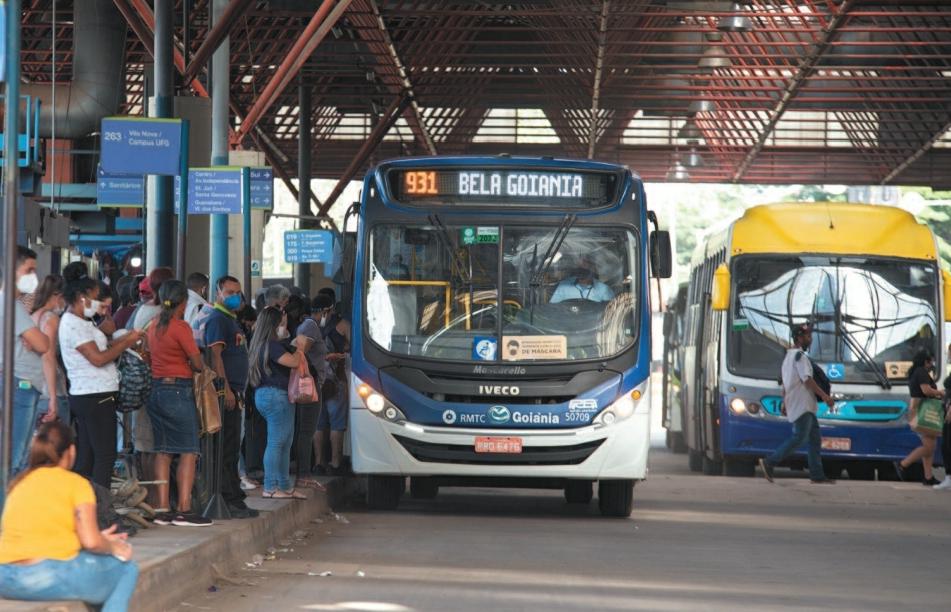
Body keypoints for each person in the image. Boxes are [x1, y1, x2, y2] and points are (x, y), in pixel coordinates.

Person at [0, 422, 139, 611]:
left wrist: (99, 539)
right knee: (126, 570)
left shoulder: (18, 483)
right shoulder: (76, 484)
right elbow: (91, 542)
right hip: (46, 575)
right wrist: (114, 547)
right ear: (71, 451)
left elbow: (45, 532)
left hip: (5, 577)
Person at [60, 269, 144, 488]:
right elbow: (98, 359)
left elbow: (104, 345)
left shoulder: (84, 321)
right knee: (105, 456)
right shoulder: (73, 325)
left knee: (87, 458)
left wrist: (125, 338)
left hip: (94, 394)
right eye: (99, 302)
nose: (103, 309)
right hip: (94, 395)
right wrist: (127, 343)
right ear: (83, 298)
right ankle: (102, 512)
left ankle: (85, 507)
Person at [145, 280, 211, 527]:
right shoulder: (180, 327)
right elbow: (197, 364)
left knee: (163, 450)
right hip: (177, 391)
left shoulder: (152, 326)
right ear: (183, 302)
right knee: (188, 450)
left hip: (156, 390)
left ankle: (163, 508)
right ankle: (184, 508)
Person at [203, 276, 259, 518]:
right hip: (225, 393)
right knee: (226, 449)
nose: (235, 296)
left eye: (238, 292)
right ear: (218, 293)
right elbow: (216, 356)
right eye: (229, 292)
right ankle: (229, 498)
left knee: (232, 447)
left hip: (236, 391)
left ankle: (234, 495)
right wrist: (224, 388)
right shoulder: (217, 320)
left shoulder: (231, 320)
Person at [758, 323, 835, 484]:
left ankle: (816, 474)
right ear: (799, 338)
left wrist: (785, 402)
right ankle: (769, 462)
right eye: (808, 337)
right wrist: (825, 397)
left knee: (814, 439)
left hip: (802, 404)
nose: (810, 339)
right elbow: (807, 380)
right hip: (802, 405)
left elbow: (785, 383)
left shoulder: (788, 357)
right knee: (799, 438)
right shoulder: (800, 357)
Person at [248, 306, 306, 499]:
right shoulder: (271, 345)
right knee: (276, 442)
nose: (285, 323)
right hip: (276, 397)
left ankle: (284, 485)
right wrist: (300, 348)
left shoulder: (260, 344)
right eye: (283, 321)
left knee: (284, 442)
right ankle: (271, 487)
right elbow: (294, 362)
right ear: (275, 323)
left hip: (265, 395)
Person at [3, 246, 50, 475]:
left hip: (18, 385)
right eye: (29, 270)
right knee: (15, 460)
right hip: (19, 386)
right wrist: (35, 338)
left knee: (16, 459)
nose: (34, 277)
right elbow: (43, 344)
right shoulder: (10, 306)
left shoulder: (15, 306)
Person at [307, 293, 349, 475]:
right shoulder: (343, 325)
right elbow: (353, 347)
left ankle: (318, 463)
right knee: (337, 424)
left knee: (318, 424)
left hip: (314, 381)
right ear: (330, 309)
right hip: (336, 380)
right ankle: (335, 463)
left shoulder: (307, 326)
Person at [293, 295, 332, 486]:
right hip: (310, 385)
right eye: (329, 312)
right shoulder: (310, 326)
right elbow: (300, 352)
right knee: (306, 430)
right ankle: (303, 475)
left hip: (313, 382)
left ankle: (303, 473)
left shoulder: (310, 326)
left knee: (305, 429)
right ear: (325, 311)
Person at [895, 349, 944, 485]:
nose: (932, 363)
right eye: (931, 361)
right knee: (928, 447)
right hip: (923, 410)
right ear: (925, 361)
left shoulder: (915, 372)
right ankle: (903, 464)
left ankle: (928, 477)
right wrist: (940, 393)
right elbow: (926, 390)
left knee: (930, 446)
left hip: (918, 409)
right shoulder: (921, 372)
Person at [31, 274, 70, 426]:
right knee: (57, 445)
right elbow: (48, 357)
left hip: (34, 388)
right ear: (58, 296)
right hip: (49, 391)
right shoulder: (51, 319)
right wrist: (53, 398)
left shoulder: (34, 315)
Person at [549, 256, 614, 304]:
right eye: (580, 267)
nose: (581, 271)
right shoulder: (563, 286)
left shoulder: (604, 289)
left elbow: (610, 313)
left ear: (593, 269)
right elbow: (553, 309)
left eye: (586, 265)